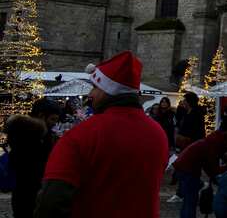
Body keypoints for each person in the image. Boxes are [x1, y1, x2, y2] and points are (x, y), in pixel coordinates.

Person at [34, 51, 169, 218]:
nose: (90, 94)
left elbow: (52, 200)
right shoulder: (158, 134)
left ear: (108, 90)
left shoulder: (82, 135)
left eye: (95, 87)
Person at [174, 120, 227, 218]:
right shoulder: (214, 143)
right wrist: (226, 167)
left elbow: (210, 165)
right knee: (190, 199)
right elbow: (212, 167)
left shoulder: (214, 140)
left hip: (185, 167)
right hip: (187, 169)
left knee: (190, 199)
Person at [5, 98, 61, 218]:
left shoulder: (43, 135)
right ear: (41, 116)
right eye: (53, 119)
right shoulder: (27, 136)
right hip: (28, 195)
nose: (55, 124)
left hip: (29, 194)